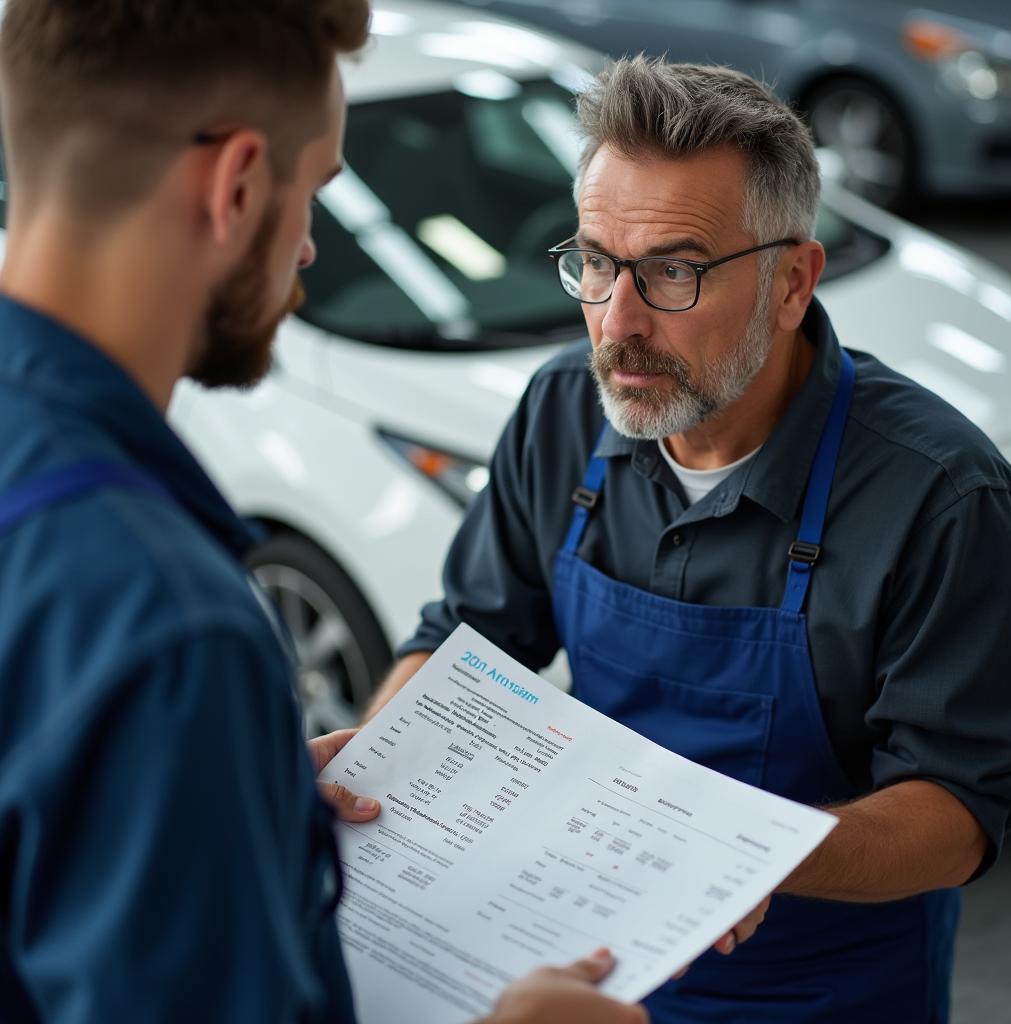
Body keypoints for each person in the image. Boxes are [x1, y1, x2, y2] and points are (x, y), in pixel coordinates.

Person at [0, 2, 649, 1022]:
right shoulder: (168, 626)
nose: (306, 250)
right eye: (317, 192)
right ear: (240, 183)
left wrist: (228, 793)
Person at [367, 57, 1011, 1023]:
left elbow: (959, 809)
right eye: (595, 261)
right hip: (574, 964)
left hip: (822, 991)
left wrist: (738, 857)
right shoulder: (562, 412)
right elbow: (465, 635)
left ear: (793, 280)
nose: (617, 324)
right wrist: (371, 767)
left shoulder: (939, 494)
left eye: (673, 270)